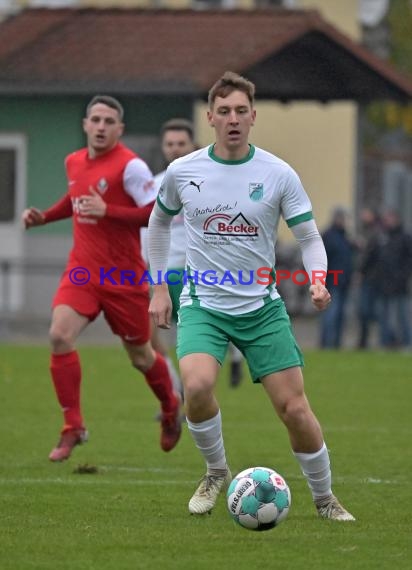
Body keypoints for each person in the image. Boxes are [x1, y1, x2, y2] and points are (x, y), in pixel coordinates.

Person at [148, 71, 354, 521]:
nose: (233, 119)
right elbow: (159, 223)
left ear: (253, 116)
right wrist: (159, 286)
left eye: (241, 111)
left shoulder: (278, 174)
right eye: (224, 111)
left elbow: (309, 237)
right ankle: (215, 471)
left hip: (261, 307)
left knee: (295, 409)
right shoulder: (185, 172)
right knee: (198, 386)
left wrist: (318, 278)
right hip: (204, 304)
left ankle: (324, 498)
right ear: (210, 117)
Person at [22, 95, 181, 462]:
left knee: (141, 356)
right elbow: (76, 199)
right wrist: (43, 217)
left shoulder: (131, 167)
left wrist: (108, 210)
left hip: (123, 276)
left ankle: (171, 407)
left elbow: (154, 214)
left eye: (109, 121)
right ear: (85, 124)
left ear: (119, 129)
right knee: (59, 335)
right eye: (95, 119)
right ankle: (73, 426)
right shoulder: (73, 161)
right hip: (83, 271)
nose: (101, 126)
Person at [142, 118, 244, 394]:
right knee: (150, 338)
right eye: (170, 144)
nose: (175, 149)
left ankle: (227, 362)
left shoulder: (211, 182)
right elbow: (147, 228)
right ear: (163, 148)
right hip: (164, 273)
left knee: (194, 336)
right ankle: (177, 394)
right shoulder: (153, 186)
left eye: (181, 144)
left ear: (193, 145)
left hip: (199, 272)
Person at [375, 208, 412, 349]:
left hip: (400, 284)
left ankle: (407, 343)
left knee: (402, 315)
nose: (387, 222)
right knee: (383, 316)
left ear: (396, 219)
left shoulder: (405, 237)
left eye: (390, 218)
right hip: (383, 284)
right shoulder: (382, 238)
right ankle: (384, 343)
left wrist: (403, 276)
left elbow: (409, 260)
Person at [319, 208, 355, 349]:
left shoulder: (345, 237)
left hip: (344, 281)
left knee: (340, 315)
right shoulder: (329, 236)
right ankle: (327, 343)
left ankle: (336, 343)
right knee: (331, 314)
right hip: (332, 280)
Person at [356, 208, 381, 349]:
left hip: (370, 278)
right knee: (365, 311)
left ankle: (364, 341)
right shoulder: (369, 231)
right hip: (369, 277)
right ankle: (363, 340)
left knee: (366, 310)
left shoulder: (374, 233)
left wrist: (360, 272)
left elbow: (368, 256)